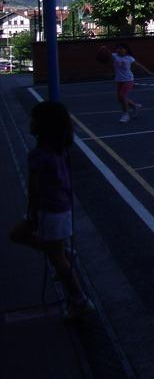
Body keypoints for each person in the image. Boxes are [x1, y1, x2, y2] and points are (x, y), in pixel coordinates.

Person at [8, 101, 93, 320]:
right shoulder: (60, 149)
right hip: (61, 208)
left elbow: (34, 190)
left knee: (55, 259)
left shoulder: (38, 155)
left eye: (33, 119)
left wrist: (33, 213)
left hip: (49, 212)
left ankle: (79, 299)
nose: (30, 122)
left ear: (42, 126)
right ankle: (64, 254)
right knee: (25, 238)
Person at [110, 43, 152, 123]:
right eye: (118, 48)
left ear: (126, 50)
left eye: (122, 48)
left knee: (122, 96)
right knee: (120, 99)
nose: (120, 50)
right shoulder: (114, 55)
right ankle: (135, 106)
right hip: (119, 80)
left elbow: (139, 65)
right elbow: (106, 54)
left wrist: (147, 71)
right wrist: (103, 48)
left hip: (128, 79)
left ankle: (125, 115)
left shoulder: (129, 58)